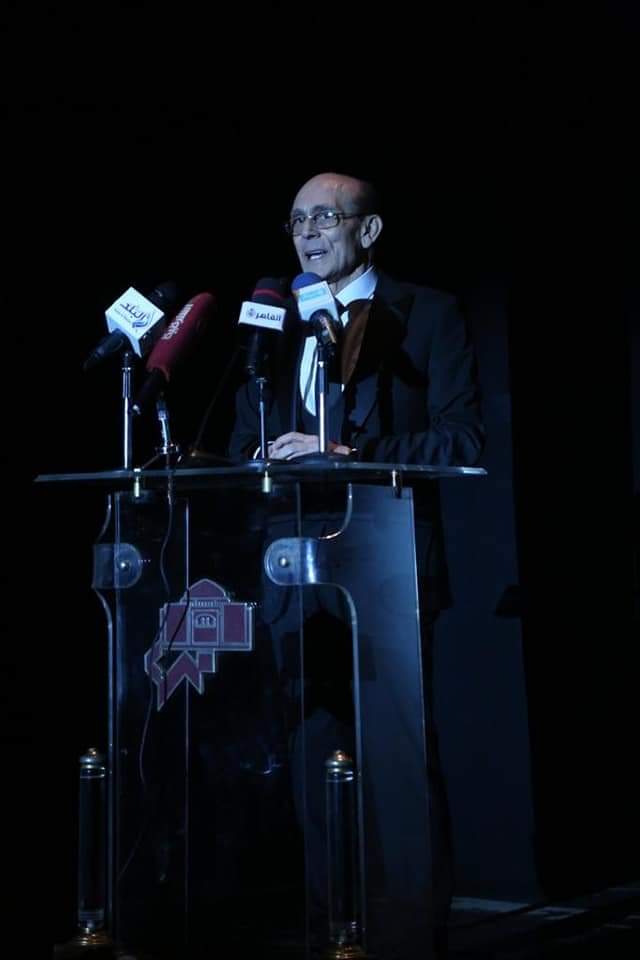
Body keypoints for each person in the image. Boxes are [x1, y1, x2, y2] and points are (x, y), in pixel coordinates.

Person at [228, 171, 485, 957]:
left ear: (368, 231)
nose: (308, 234)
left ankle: (411, 936)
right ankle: (328, 929)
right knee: (312, 764)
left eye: (325, 218)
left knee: (398, 764)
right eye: (296, 221)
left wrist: (352, 452)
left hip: (389, 569)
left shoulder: (427, 313)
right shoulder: (275, 321)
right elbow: (243, 442)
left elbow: (462, 439)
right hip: (293, 573)